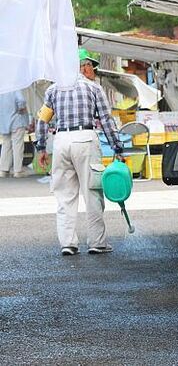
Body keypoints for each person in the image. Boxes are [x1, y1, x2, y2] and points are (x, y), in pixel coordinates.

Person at [35, 48, 122, 256]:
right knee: (92, 192)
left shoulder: (53, 90)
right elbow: (107, 120)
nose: (91, 69)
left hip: (61, 141)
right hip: (85, 139)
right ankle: (97, 242)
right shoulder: (94, 89)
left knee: (64, 195)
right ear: (82, 66)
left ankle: (68, 243)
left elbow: (42, 119)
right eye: (90, 65)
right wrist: (117, 147)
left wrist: (40, 147)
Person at [0, 89, 30, 178]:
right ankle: (18, 171)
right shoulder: (14, 88)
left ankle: (3, 170)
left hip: (4, 122)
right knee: (18, 146)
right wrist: (22, 108)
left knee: (6, 145)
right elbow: (21, 100)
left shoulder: (2, 89)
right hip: (17, 121)